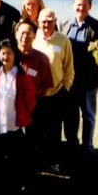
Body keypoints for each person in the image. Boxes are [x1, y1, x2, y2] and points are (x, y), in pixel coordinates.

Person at [0, 39, 36, 195]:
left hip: (15, 124)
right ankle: (0, 188)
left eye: (9, 53)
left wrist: (23, 115)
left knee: (16, 159)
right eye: (3, 53)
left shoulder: (21, 76)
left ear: (15, 55)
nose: (6, 57)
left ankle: (16, 188)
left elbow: (30, 99)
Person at [62, 0, 98, 154]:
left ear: (90, 7)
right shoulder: (64, 24)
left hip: (89, 81)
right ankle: (72, 144)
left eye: (84, 5)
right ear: (73, 5)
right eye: (78, 4)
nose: (80, 8)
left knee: (88, 115)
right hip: (71, 79)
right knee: (71, 114)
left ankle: (87, 147)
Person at [30, 11, 73, 173]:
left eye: (50, 21)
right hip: (36, 94)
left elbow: (69, 69)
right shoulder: (34, 38)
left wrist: (65, 89)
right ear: (38, 21)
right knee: (36, 131)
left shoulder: (63, 41)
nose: (46, 25)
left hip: (56, 94)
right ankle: (37, 162)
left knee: (54, 132)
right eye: (43, 22)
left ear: (55, 21)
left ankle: (53, 161)